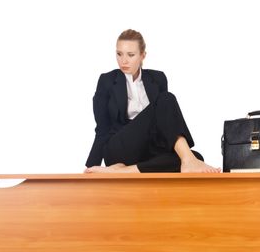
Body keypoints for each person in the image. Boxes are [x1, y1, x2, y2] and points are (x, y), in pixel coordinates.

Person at [84, 29, 221, 173]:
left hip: (148, 147)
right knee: (166, 99)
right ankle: (188, 160)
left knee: (197, 156)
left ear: (143, 55)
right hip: (119, 147)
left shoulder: (158, 78)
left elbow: (166, 121)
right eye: (119, 54)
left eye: (130, 55)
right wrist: (90, 167)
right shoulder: (107, 81)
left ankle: (126, 170)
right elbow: (102, 129)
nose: (123, 60)